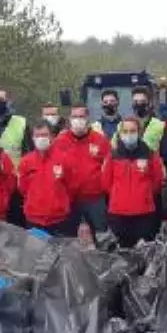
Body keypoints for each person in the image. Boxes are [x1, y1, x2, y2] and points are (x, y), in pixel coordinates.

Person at [101, 116, 166, 247]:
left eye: (132, 131)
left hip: (144, 214)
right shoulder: (113, 156)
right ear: (120, 133)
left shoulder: (150, 155)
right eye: (125, 131)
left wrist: (144, 195)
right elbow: (105, 183)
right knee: (122, 254)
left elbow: (157, 181)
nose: (129, 134)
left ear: (139, 133)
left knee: (145, 252)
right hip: (119, 214)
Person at [54, 103, 110, 241]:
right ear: (69, 118)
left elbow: (109, 168)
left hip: (95, 198)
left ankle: (103, 261)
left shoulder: (101, 140)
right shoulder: (60, 141)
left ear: (88, 118)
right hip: (69, 198)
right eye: (75, 116)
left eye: (81, 116)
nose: (78, 120)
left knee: (102, 236)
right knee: (67, 239)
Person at [0, 86, 31, 226]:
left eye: (1, 100)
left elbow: (29, 154)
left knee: (17, 228)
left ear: (8, 101)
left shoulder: (21, 123)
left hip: (16, 186)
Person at [18, 122, 76, 235]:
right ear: (33, 138)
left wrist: (60, 203)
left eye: (44, 135)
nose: (41, 139)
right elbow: (22, 188)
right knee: (36, 252)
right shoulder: (26, 161)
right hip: (34, 218)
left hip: (59, 219)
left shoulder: (64, 158)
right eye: (37, 136)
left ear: (52, 137)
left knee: (60, 252)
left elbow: (72, 185)